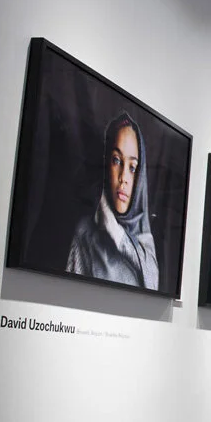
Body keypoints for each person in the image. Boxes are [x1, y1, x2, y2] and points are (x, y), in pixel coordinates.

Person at [66, 111, 159, 289]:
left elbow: (152, 283)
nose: (123, 177)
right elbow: (68, 294)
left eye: (132, 168)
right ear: (106, 164)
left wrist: (116, 233)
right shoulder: (85, 233)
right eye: (116, 160)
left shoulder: (145, 242)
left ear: (140, 178)